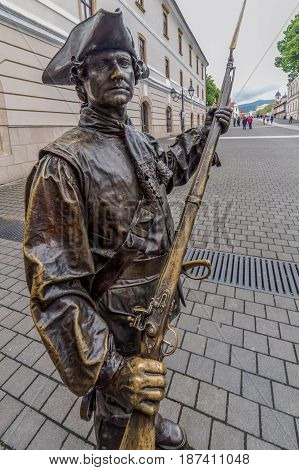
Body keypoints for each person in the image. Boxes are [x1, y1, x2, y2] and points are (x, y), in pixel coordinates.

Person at [23, 9, 232, 450]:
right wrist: (114, 370)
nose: (118, 71)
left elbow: (168, 169)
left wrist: (206, 133)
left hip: (150, 313)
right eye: (103, 64)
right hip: (110, 328)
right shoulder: (61, 165)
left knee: (147, 402)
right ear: (81, 80)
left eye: (124, 62)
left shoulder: (138, 142)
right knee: (123, 430)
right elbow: (55, 291)